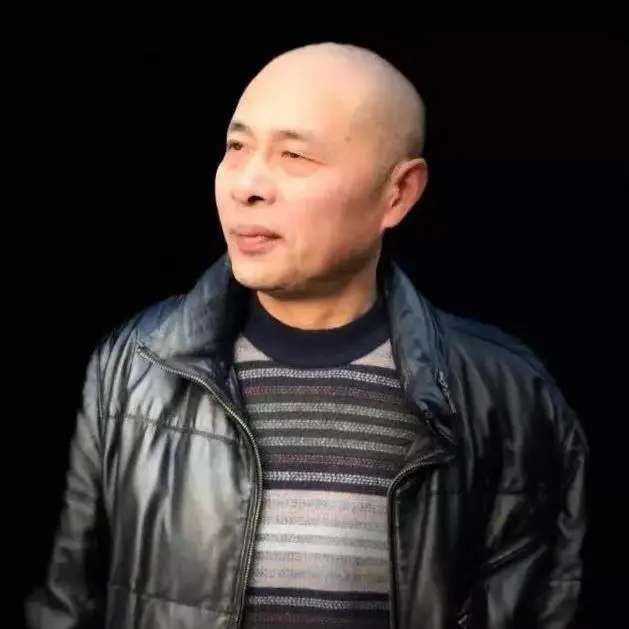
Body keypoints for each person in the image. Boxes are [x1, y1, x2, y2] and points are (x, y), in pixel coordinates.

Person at [26, 42, 589, 629]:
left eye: (293, 155)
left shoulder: (504, 394)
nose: (246, 185)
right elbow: (66, 604)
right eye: (237, 147)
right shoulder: (133, 365)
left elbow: (543, 605)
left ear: (397, 193)